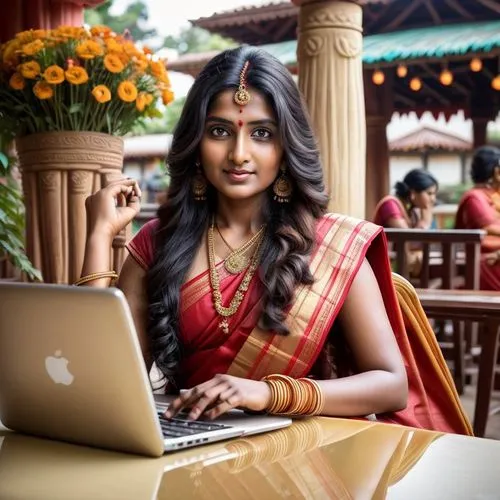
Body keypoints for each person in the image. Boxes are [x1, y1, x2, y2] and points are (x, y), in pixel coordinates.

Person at [79, 47, 469, 434]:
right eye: (219, 131)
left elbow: (390, 385)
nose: (239, 154)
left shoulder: (332, 245)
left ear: (285, 149)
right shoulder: (159, 244)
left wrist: (269, 394)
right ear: (196, 143)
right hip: (188, 446)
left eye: (262, 134)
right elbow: (102, 380)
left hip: (300, 451)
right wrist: (99, 236)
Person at [455, 145, 500, 290]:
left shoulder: (493, 196)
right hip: (482, 260)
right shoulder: (474, 197)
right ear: (496, 171)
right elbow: (489, 228)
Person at [373, 169, 438, 229]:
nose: (433, 199)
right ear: (413, 193)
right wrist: (424, 223)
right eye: (429, 193)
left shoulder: (413, 212)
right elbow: (406, 239)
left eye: (434, 194)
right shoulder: (390, 205)